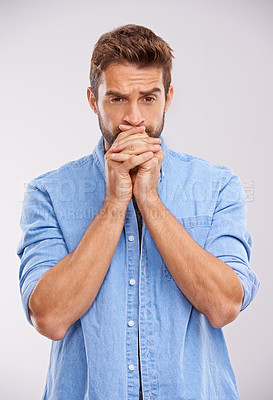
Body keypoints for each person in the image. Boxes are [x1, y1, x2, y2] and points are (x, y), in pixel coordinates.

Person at [17, 24, 260, 400]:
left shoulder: (218, 186)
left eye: (148, 98)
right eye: (116, 99)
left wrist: (151, 201)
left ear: (168, 97)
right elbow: (49, 318)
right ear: (92, 100)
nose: (134, 118)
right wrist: (115, 204)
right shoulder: (47, 193)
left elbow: (225, 306)